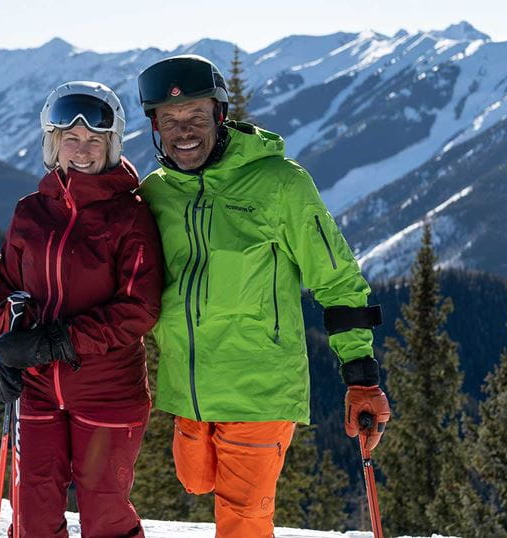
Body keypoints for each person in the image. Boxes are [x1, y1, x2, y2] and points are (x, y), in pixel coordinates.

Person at [134, 54, 391, 537]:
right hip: (187, 387)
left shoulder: (280, 184)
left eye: (196, 116)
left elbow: (337, 280)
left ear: (220, 116)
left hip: (259, 388)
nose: (183, 130)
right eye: (170, 120)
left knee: (243, 517)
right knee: (195, 480)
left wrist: (361, 375)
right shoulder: (156, 193)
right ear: (155, 127)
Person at [0, 81, 163, 538]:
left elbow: (139, 308)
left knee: (105, 514)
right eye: (70, 139)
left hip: (108, 391)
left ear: (111, 146)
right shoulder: (30, 213)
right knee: (33, 514)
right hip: (37, 391)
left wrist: (57, 341)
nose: (82, 149)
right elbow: (12, 294)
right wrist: (2, 353)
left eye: (95, 140)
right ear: (52, 143)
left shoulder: (130, 216)